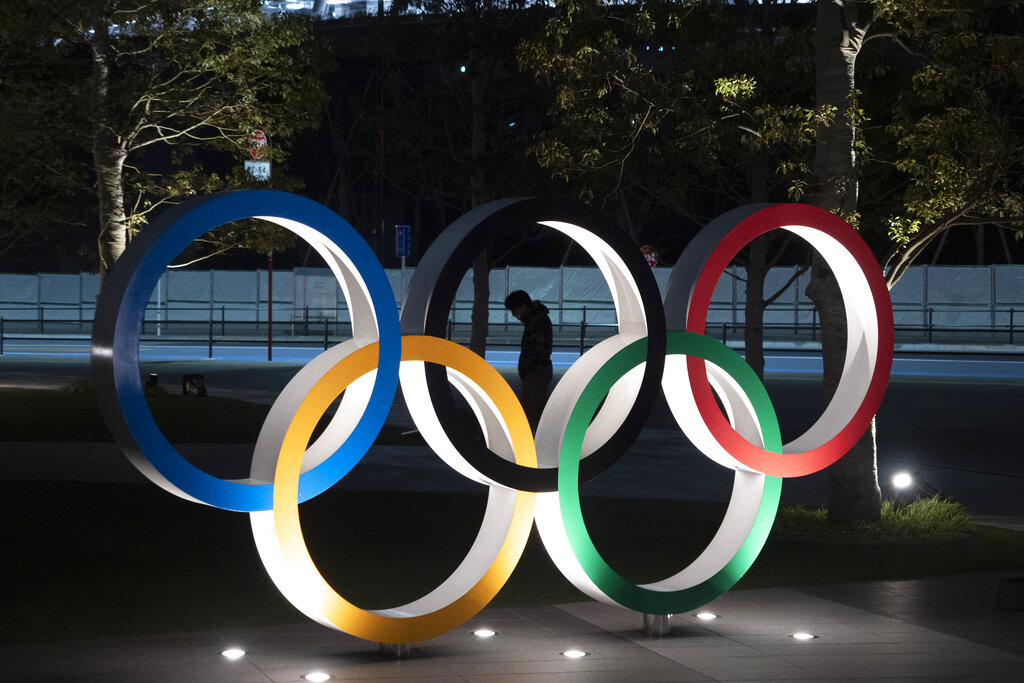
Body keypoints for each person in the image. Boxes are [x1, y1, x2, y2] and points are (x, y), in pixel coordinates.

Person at [504, 290, 552, 432]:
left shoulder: (536, 321)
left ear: (523, 306)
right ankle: (537, 444)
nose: (514, 314)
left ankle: (530, 446)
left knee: (530, 412)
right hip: (537, 370)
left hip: (535, 372)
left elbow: (537, 349)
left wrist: (527, 367)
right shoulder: (536, 318)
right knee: (536, 411)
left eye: (514, 309)